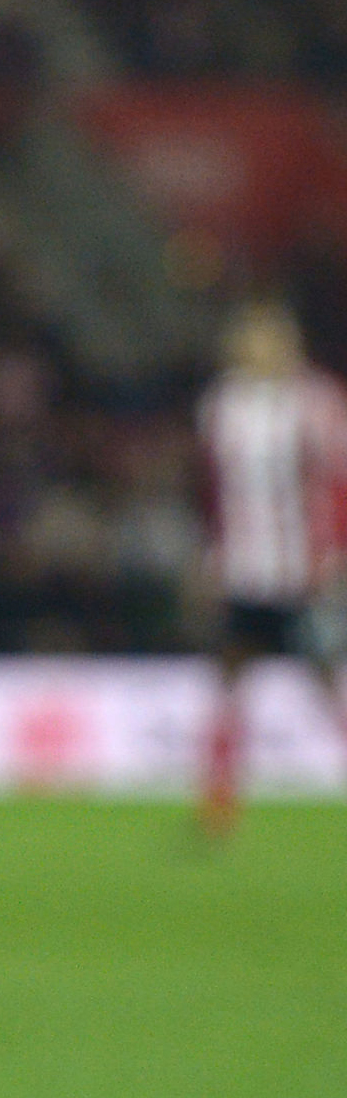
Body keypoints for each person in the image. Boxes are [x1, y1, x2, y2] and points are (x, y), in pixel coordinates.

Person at [196, 300, 347, 838]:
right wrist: (212, 553)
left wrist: (333, 556)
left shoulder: (317, 403)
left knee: (328, 681)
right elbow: (214, 491)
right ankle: (219, 802)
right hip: (244, 571)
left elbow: (337, 485)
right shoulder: (223, 404)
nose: (261, 350)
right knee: (228, 682)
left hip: (302, 573)